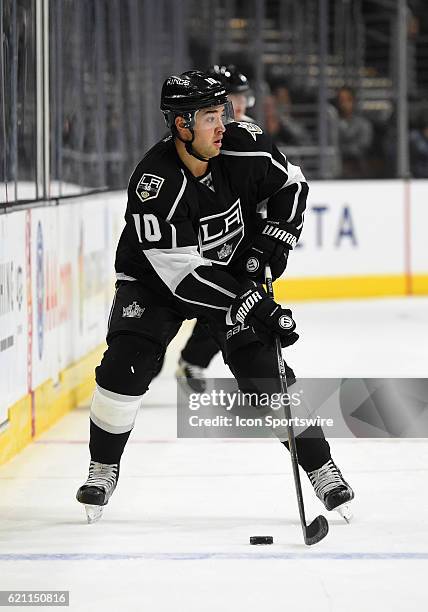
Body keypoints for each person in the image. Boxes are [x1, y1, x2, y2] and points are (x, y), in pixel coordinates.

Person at [76, 70, 354, 524]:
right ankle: (103, 466)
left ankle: (321, 467)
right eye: (209, 117)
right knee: (126, 364)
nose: (223, 124)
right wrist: (252, 302)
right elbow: (183, 277)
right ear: (181, 125)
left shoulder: (243, 145)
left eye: (222, 112)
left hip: (228, 270)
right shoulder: (154, 184)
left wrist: (272, 244)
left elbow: (293, 186)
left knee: (264, 371)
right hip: (156, 282)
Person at [175, 65, 256, 392]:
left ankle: (195, 361)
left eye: (241, 96)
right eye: (230, 97)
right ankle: (146, 361)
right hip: (199, 229)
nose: (239, 104)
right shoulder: (193, 136)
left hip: (235, 230)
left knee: (232, 300)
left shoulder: (249, 131)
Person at [335, 86, 373, 178]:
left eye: (348, 99)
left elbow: (363, 146)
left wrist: (343, 149)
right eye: (341, 100)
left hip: (358, 168)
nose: (344, 103)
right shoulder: (332, 122)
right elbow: (332, 146)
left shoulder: (364, 124)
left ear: (354, 101)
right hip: (337, 170)